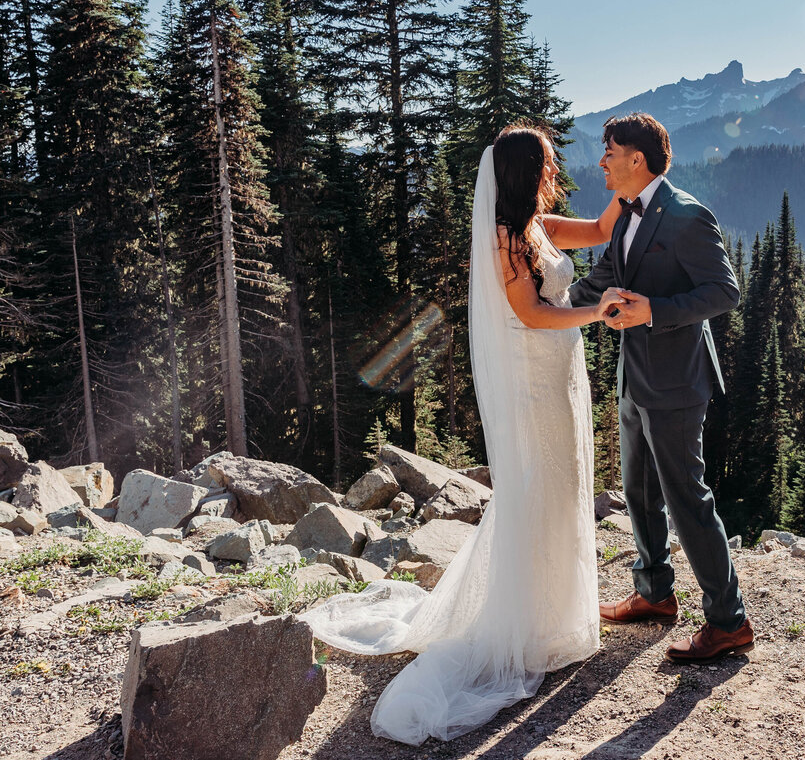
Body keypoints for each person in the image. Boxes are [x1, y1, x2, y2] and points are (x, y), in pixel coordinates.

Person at [302, 124, 624, 744]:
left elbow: (603, 230)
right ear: (529, 171)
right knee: (538, 486)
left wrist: (637, 179)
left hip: (560, 372)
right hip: (535, 376)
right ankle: (528, 622)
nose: (557, 167)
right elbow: (530, 313)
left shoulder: (538, 224)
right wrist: (597, 311)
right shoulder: (507, 237)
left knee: (562, 486)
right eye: (549, 162)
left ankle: (556, 615)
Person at [569, 112, 753, 663]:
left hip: (676, 383)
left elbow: (725, 292)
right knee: (639, 492)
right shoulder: (626, 212)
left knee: (687, 500)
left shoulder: (687, 216)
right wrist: (542, 310)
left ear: (637, 160)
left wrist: (654, 312)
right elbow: (604, 279)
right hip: (634, 380)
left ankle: (728, 620)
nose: (601, 160)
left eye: (609, 151)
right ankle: (654, 593)